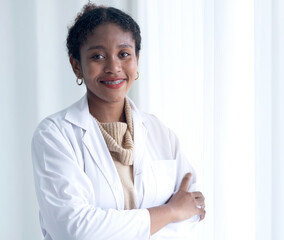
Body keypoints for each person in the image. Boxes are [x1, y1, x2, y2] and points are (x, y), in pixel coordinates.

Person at [31, 3, 205, 240]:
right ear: (76, 66)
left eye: (124, 54)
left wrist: (177, 213)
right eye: (97, 56)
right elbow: (74, 230)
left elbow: (193, 212)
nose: (113, 67)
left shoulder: (160, 132)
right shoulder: (55, 135)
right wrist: (171, 210)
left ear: (137, 59)